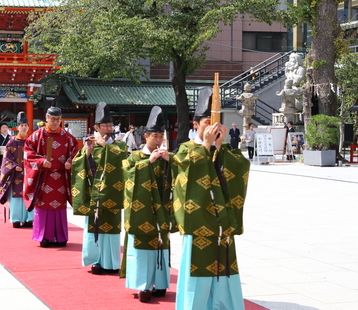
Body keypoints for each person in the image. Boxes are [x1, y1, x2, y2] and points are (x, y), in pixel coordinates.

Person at [173, 88, 251, 310]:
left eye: (216, 122)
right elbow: (185, 180)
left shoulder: (225, 150)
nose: (213, 127)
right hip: (198, 222)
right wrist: (206, 146)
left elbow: (239, 170)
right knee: (196, 272)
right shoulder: (185, 150)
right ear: (196, 124)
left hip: (221, 222)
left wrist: (219, 147)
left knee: (225, 269)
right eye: (208, 121)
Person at [121, 106, 175, 302]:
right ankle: (143, 285)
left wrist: (172, 161)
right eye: (155, 136)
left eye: (161, 136)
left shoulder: (167, 157)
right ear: (145, 136)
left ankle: (160, 283)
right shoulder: (135, 157)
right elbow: (127, 176)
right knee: (142, 245)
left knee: (162, 243)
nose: (159, 140)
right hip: (141, 210)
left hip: (162, 209)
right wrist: (148, 163)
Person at [71, 102, 127, 274]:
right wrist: (87, 152)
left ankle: (111, 263)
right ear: (96, 127)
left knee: (111, 228)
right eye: (105, 125)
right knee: (94, 225)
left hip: (112, 192)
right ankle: (96, 260)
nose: (109, 128)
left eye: (111, 125)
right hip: (95, 193)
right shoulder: (90, 144)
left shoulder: (119, 145)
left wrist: (105, 146)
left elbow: (123, 161)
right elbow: (77, 165)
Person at [24, 106, 78, 247]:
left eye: (57, 120)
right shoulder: (37, 136)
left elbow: (77, 151)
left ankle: (60, 237)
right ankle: (44, 237)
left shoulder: (67, 137)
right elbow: (27, 153)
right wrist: (41, 162)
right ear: (46, 118)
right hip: (44, 177)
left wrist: (70, 162)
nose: (54, 122)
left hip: (60, 177)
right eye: (52, 119)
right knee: (43, 207)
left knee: (59, 208)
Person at [0, 112, 33, 228]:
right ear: (17, 127)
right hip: (16, 174)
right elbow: (6, 159)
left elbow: (37, 156)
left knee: (29, 196)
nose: (23, 127)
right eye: (21, 125)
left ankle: (29, 219)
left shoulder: (32, 142)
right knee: (16, 199)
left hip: (29, 174)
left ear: (28, 127)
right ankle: (16, 219)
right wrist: (14, 166)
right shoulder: (12, 141)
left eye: (25, 125)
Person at [0, 123, 11, 192]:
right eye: (3, 127)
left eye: (6, 127)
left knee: (8, 171)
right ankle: (0, 186)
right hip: (1, 157)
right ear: (0, 129)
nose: (4, 129)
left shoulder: (10, 138)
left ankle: (7, 187)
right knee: (0, 171)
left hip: (8, 157)